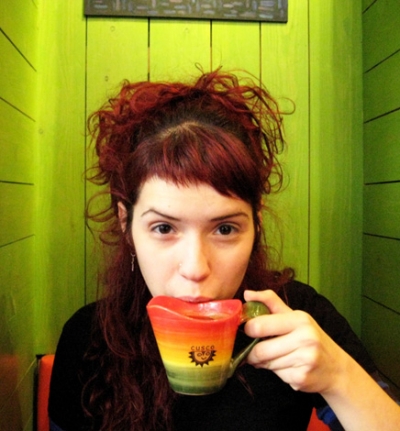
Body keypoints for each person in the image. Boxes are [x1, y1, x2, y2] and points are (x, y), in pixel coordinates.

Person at [48, 69, 400, 431]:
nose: (195, 268)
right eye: (164, 228)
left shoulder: (297, 317)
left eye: (225, 229)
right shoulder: (87, 338)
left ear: (256, 226)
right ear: (127, 226)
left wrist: (339, 377)